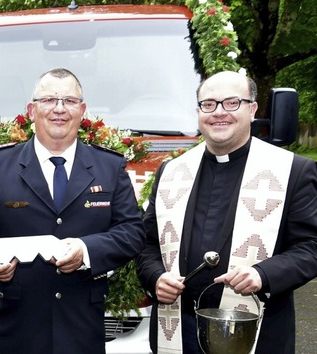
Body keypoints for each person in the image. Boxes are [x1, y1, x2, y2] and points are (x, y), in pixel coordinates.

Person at [0, 67, 146, 353]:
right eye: (48, 100)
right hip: (15, 331)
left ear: (83, 110)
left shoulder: (110, 166)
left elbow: (131, 232)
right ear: (31, 110)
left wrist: (86, 250)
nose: (59, 109)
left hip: (82, 330)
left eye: (69, 101)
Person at [136, 70, 317, 354]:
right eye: (208, 104)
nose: (219, 113)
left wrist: (263, 275)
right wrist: (156, 278)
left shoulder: (293, 171)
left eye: (232, 103)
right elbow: (147, 244)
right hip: (179, 331)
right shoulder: (172, 171)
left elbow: (311, 248)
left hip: (256, 330)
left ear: (252, 109)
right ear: (198, 112)